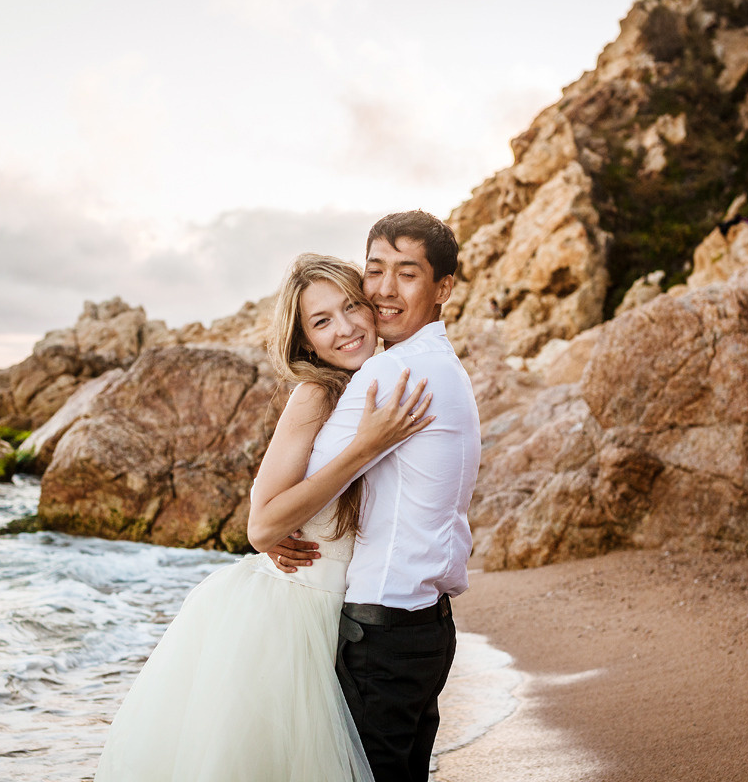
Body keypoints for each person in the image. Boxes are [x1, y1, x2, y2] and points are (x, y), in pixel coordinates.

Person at [93, 254, 433, 782]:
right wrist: (363, 449)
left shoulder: (382, 381)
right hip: (292, 618)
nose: (345, 329)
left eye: (351, 307)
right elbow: (261, 526)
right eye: (322, 321)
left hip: (354, 614)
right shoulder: (315, 394)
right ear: (306, 343)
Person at [269, 210, 481, 782]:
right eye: (375, 271)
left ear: (443, 288)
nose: (384, 290)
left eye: (406, 274)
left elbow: (274, 518)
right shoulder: (446, 367)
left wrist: (274, 535)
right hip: (427, 627)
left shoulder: (390, 374)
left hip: (384, 632)